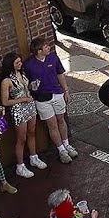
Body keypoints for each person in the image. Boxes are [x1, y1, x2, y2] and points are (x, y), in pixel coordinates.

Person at [23, 36, 77, 164]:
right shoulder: (28, 64)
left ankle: (67, 144)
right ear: (39, 51)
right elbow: (25, 83)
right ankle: (61, 150)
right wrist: (31, 86)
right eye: (46, 47)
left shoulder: (53, 58)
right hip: (42, 99)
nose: (49, 48)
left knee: (61, 120)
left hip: (57, 93)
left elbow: (60, 74)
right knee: (52, 124)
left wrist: (66, 91)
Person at [0, 53, 43, 180]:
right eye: (17, 63)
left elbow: (25, 88)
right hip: (18, 109)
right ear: (10, 64)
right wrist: (23, 99)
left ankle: (34, 157)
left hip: (30, 105)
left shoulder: (22, 73)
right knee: (21, 138)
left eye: (20, 62)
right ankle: (20, 165)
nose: (20, 64)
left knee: (32, 132)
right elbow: (5, 101)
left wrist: (32, 86)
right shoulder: (6, 81)